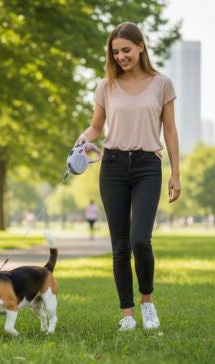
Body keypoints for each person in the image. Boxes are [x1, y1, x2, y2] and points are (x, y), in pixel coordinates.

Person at [76, 22, 181, 331]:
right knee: (120, 245)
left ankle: (148, 304)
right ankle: (127, 315)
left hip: (149, 165)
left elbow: (171, 130)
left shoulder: (162, 84)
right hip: (113, 167)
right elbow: (96, 127)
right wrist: (82, 142)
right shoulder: (105, 86)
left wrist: (175, 173)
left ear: (140, 47)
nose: (121, 56)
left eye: (125, 50)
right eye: (115, 52)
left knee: (140, 240)